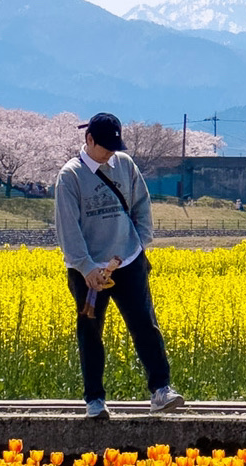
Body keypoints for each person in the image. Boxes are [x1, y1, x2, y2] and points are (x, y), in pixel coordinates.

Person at [53, 112, 185, 421]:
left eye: (115, 145)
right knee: (90, 331)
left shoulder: (124, 164)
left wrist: (139, 242)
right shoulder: (70, 176)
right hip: (88, 272)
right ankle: (94, 400)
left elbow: (141, 203)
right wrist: (87, 268)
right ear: (89, 140)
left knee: (145, 325)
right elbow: (67, 229)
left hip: (128, 261)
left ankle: (161, 390)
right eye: (105, 147)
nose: (110, 152)